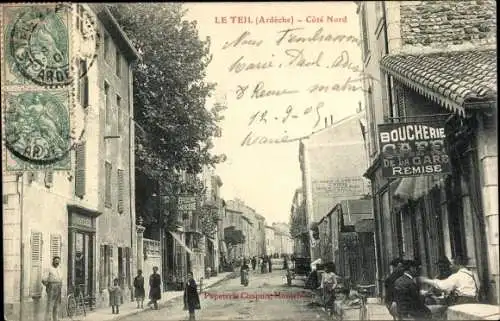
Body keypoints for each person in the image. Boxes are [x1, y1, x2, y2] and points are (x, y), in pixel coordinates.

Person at [42, 256, 62, 321]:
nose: (57, 262)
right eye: (56, 261)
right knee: (50, 304)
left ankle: (55, 319)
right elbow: (44, 279)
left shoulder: (59, 268)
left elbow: (61, 278)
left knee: (57, 305)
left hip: (58, 287)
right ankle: (48, 319)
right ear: (53, 261)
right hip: (52, 287)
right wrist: (48, 287)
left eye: (58, 261)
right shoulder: (49, 269)